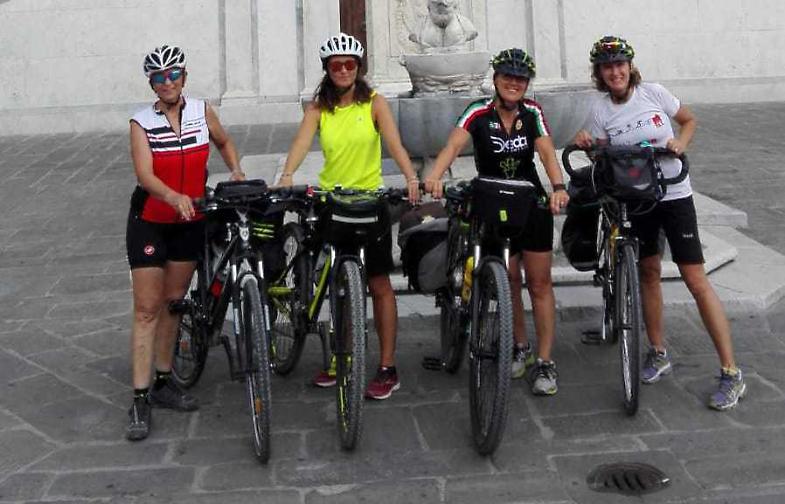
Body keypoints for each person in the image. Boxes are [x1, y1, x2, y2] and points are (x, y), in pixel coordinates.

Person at [572, 36, 746, 410]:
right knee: (648, 271)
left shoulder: (654, 93)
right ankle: (657, 350)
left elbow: (689, 119)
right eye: (607, 67)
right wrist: (585, 140)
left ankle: (731, 372)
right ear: (600, 74)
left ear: (629, 67)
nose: (615, 72)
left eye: (620, 64)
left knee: (695, 279)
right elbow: (596, 146)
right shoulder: (600, 109)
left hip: (673, 194)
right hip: (635, 198)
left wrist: (681, 142)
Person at [277, 33, 420, 400]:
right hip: (332, 202)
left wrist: (410, 177)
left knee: (379, 284)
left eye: (350, 65)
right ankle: (341, 356)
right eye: (336, 65)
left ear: (358, 69)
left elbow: (394, 143)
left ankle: (387, 367)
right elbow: (299, 143)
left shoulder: (374, 103)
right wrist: (288, 175)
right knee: (336, 283)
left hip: (369, 201)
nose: (343, 70)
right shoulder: (317, 109)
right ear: (327, 69)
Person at [424, 48, 569, 396]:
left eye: (520, 79)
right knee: (509, 279)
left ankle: (545, 361)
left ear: (526, 84)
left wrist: (558, 187)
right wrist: (434, 176)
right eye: (508, 77)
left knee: (540, 283)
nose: (513, 83)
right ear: (496, 79)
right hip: (491, 203)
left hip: (529, 202)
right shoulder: (478, 112)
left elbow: (547, 152)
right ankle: (520, 346)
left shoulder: (532, 112)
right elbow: (452, 145)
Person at [126, 45, 245, 440]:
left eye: (173, 74)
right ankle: (140, 397)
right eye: (158, 77)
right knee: (147, 308)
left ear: (184, 76)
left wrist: (236, 169)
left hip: (190, 220)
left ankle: (163, 381)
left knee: (173, 304)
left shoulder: (201, 111)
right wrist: (171, 196)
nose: (167, 82)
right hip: (151, 221)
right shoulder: (140, 122)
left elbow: (224, 142)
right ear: (151, 84)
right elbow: (145, 175)